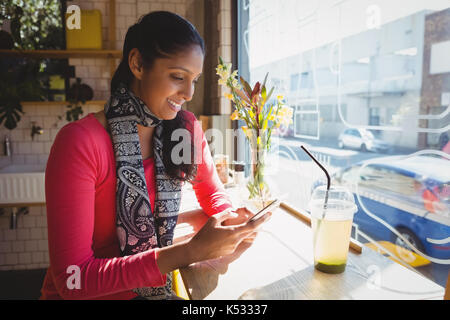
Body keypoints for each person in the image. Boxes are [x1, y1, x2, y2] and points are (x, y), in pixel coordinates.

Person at [40, 11, 270, 300]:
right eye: (178, 77)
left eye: (195, 79)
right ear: (137, 63)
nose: (188, 92)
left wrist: (229, 218)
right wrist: (190, 252)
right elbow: (73, 281)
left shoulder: (186, 129)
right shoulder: (80, 143)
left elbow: (212, 193)